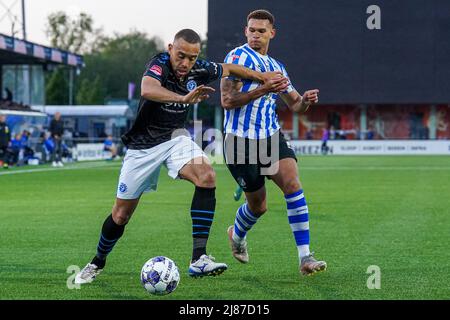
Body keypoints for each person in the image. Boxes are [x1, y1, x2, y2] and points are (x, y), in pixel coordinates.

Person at [75, 29, 282, 284]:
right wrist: (182, 98)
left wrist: (263, 77)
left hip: (175, 138)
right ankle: (97, 261)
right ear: (171, 48)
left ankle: (199, 259)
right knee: (121, 215)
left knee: (207, 176)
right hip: (143, 146)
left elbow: (231, 69)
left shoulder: (199, 68)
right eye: (181, 55)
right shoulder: (159, 63)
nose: (186, 63)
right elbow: (148, 89)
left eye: (192, 58)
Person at [220, 9, 327, 276]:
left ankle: (305, 257)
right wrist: (263, 89)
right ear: (246, 31)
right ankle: (237, 235)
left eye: (261, 31)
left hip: (270, 137)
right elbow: (227, 101)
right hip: (239, 143)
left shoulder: (278, 67)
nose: (256, 35)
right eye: (251, 30)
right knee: (259, 206)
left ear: (272, 33)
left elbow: (295, 105)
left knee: (293, 184)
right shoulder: (237, 57)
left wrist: (306, 100)